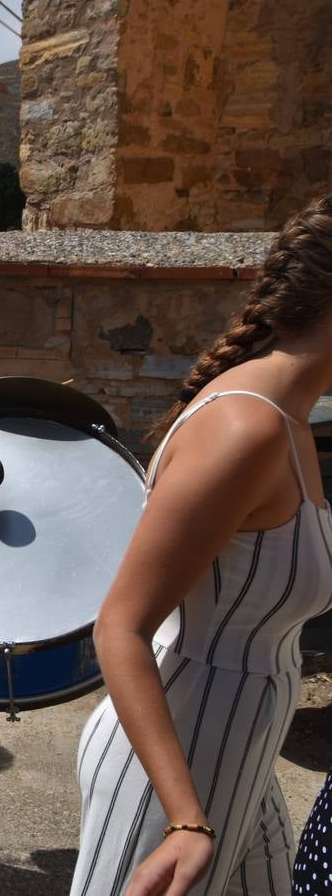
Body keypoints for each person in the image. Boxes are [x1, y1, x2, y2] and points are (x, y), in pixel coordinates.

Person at [72, 195, 332, 896]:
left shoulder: (291, 422)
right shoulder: (245, 430)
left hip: (238, 757)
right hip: (178, 773)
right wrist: (186, 818)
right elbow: (120, 627)